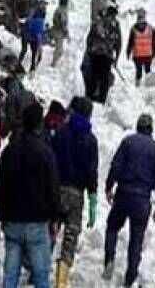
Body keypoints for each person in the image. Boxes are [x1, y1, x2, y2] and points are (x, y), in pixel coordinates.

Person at [0, 102, 62, 288]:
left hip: (13, 219)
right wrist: (56, 216)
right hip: (37, 220)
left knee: (10, 273)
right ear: (39, 124)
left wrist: (2, 214)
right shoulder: (45, 152)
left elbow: (1, 186)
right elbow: (53, 187)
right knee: (41, 274)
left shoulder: (9, 151)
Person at [103, 114, 155, 288]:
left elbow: (115, 166)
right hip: (142, 201)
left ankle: (109, 259)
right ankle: (130, 276)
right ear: (151, 129)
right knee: (136, 239)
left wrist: (109, 186)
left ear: (138, 126)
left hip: (123, 194)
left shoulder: (128, 142)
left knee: (113, 226)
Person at [51, 97, 99, 288]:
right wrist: (93, 197)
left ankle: (38, 265)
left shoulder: (61, 133)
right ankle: (61, 280)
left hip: (56, 190)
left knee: (50, 228)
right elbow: (92, 171)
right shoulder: (91, 140)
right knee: (71, 236)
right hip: (76, 195)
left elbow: (50, 159)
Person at [85, 2, 122, 104]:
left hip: (106, 56)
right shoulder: (98, 24)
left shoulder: (115, 26)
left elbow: (119, 43)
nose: (112, 18)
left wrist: (117, 57)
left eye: (114, 16)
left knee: (103, 78)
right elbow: (90, 38)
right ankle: (92, 96)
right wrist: (89, 51)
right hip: (97, 55)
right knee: (95, 77)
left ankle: (100, 98)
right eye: (111, 15)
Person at [2, 64, 37, 138]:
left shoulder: (16, 83)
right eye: (21, 76)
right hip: (15, 116)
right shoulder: (14, 84)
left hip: (15, 115)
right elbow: (12, 98)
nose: (22, 78)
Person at [127, 9, 155, 87]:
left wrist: (154, 52)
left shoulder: (151, 29)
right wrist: (128, 51)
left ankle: (148, 87)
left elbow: (153, 42)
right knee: (139, 72)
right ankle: (138, 86)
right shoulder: (133, 29)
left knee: (148, 71)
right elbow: (130, 42)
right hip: (138, 55)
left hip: (147, 55)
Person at [23, 6, 48, 75]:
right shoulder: (40, 22)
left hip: (31, 39)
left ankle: (32, 68)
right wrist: (40, 44)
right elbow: (39, 34)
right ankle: (32, 69)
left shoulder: (33, 20)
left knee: (34, 54)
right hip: (36, 40)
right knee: (37, 56)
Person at [51, 0, 70, 66]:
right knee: (59, 50)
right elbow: (63, 22)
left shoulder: (59, 9)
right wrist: (66, 32)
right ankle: (53, 64)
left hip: (57, 30)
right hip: (58, 31)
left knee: (60, 50)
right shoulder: (62, 10)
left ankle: (54, 63)